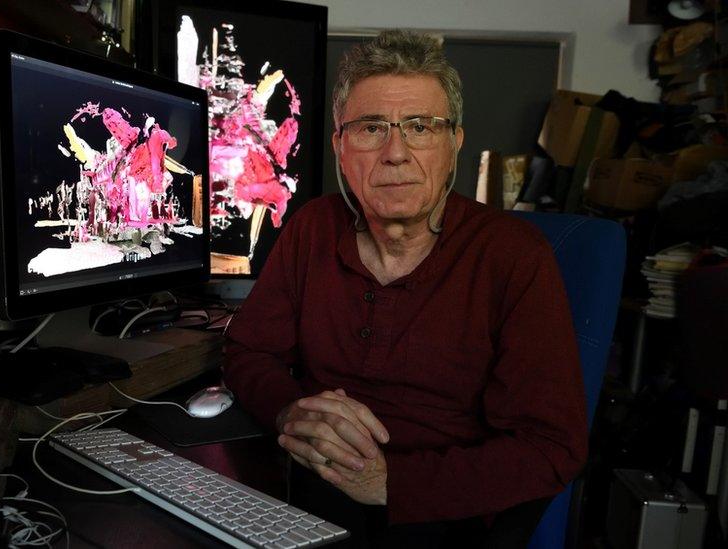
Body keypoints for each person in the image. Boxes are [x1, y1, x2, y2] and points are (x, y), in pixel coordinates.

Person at [222, 30, 587, 548]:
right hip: (305, 491)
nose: (395, 153)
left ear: (455, 140)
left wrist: (391, 484)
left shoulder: (513, 255)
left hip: (440, 512)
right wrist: (289, 409)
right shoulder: (312, 228)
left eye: (421, 127)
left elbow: (551, 447)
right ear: (340, 147)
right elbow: (248, 350)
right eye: (371, 128)